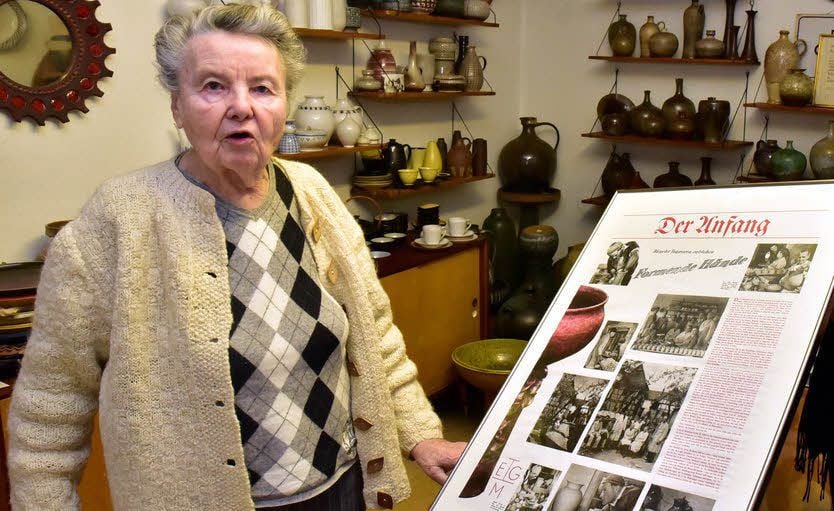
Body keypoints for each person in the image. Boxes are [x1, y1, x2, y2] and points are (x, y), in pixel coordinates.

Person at [7, 5, 465, 510]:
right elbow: (50, 403)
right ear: (177, 107)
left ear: (284, 105)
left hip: (340, 487)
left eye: (263, 88)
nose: (242, 107)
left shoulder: (313, 192)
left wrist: (421, 434)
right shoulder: (117, 220)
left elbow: (375, 336)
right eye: (213, 86)